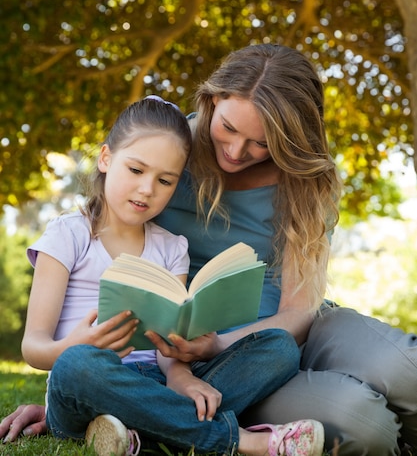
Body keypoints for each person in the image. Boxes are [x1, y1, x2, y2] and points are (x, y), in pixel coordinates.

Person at [2, 43, 416, 454]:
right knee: (366, 425)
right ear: (213, 100)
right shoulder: (167, 152)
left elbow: (297, 311)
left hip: (274, 338)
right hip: (189, 358)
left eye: (262, 142)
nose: (236, 152)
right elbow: (94, 267)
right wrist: (81, 385)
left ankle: (141, 424)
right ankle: (193, 429)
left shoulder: (303, 179)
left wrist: (219, 344)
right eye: (230, 129)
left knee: (405, 371)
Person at [0, 94, 325, 456]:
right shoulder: (67, 235)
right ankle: (239, 441)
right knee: (78, 365)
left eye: (166, 181)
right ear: (106, 158)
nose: (147, 190)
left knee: (278, 347)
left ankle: (139, 436)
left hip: (154, 383)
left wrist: (180, 376)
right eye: (136, 170)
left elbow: (169, 345)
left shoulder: (172, 248)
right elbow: (34, 348)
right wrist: (72, 346)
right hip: (87, 383)